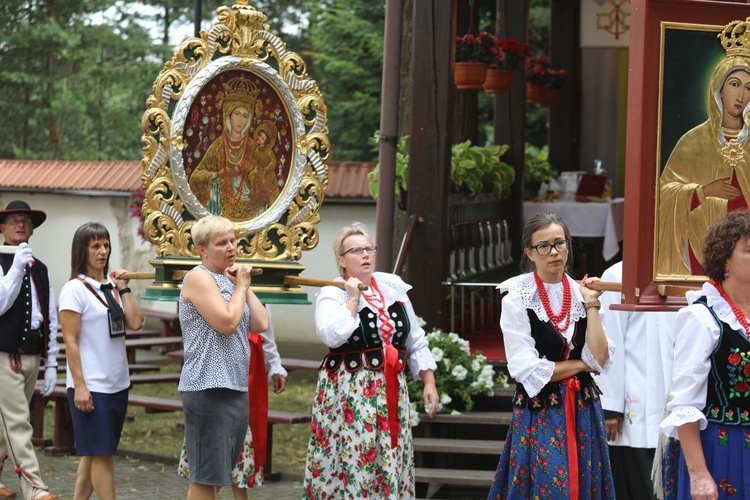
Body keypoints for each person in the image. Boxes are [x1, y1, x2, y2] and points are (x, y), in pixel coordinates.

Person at [303, 221, 438, 499]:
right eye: (356, 250)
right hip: (350, 390)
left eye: (368, 248)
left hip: (390, 387)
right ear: (342, 260)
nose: (365, 254)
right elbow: (332, 336)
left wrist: (429, 381)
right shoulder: (332, 291)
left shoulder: (392, 288)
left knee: (387, 453)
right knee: (355, 456)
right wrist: (352, 299)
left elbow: (414, 338)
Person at [488, 212, 615, 499]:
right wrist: (583, 364)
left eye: (559, 243)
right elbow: (526, 369)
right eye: (543, 246)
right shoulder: (517, 297)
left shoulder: (583, 294)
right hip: (541, 409)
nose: (554, 252)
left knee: (585, 483)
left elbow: (601, 356)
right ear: (529, 253)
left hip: (584, 407)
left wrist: (592, 304)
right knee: (547, 485)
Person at [659, 209, 750, 499]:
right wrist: (699, 475)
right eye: (749, 250)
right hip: (722, 448)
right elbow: (684, 404)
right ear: (725, 259)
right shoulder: (701, 318)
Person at [178, 215, 268, 500]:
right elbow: (228, 322)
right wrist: (240, 286)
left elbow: (261, 323)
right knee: (206, 478)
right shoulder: (198, 277)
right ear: (202, 250)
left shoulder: (228, 279)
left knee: (216, 477)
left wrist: (244, 286)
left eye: (232, 240)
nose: (231, 247)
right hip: (207, 386)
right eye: (221, 243)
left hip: (234, 386)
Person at [58, 222, 144, 500]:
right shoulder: (74, 289)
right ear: (82, 250)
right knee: (103, 454)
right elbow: (70, 341)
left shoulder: (113, 286)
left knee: (95, 452)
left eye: (106, 245)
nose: (103, 251)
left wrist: (124, 289)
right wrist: (80, 386)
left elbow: (135, 322)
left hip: (118, 383)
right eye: (95, 246)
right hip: (92, 386)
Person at [657, 22, 750, 276]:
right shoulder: (693, 141)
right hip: (705, 242)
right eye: (734, 84)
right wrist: (704, 191)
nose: (741, 95)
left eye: (748, 87)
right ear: (718, 88)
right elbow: (665, 192)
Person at [177, 304, 288, 499]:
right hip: (214, 379)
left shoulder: (253, 292)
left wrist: (275, 365)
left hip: (246, 377)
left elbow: (264, 330)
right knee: (209, 465)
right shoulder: (209, 286)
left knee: (239, 447)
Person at [592, 261, 677, 500]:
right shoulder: (619, 273)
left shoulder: (686, 271)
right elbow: (611, 340)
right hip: (636, 393)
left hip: (676, 393)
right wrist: (611, 404)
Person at [0, 200, 59, 500]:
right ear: (2, 228)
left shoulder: (42, 268)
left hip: (32, 354)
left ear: (32, 229)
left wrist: (51, 362)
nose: (20, 225)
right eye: (13, 221)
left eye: (25, 221)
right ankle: (35, 488)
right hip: (3, 355)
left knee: (5, 425)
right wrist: (16, 269)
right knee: (18, 422)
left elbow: (49, 316)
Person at [189, 76, 264, 222]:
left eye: (245, 116)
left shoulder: (254, 147)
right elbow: (195, 177)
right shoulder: (218, 145)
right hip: (220, 206)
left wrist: (252, 174)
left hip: (252, 207)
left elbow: (264, 178)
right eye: (236, 114)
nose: (240, 120)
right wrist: (217, 174)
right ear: (228, 115)